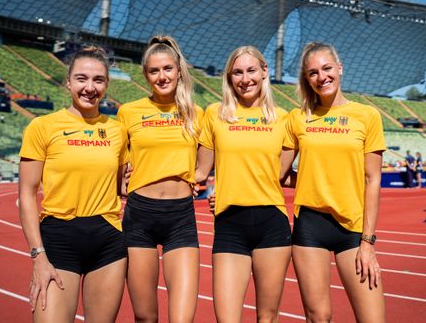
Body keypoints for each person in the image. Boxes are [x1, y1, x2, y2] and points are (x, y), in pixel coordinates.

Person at [18, 46, 129, 321]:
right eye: (81, 78)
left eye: (98, 80)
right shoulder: (42, 127)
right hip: (58, 239)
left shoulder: (118, 131)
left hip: (108, 241)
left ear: (106, 84)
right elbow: (27, 193)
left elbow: (120, 186)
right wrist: (38, 256)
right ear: (68, 82)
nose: (89, 87)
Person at [282, 42, 386, 322]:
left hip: (352, 228)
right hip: (310, 226)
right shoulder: (298, 118)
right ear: (307, 79)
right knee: (319, 316)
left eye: (327, 68)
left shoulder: (367, 116)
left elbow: (372, 179)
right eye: (313, 72)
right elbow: (277, 174)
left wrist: (368, 242)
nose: (321, 77)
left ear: (339, 69)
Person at [195, 46, 292, 322]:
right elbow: (200, 172)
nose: (245, 79)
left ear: (264, 72)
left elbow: (282, 175)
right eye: (237, 72)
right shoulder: (216, 114)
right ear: (229, 77)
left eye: (251, 70)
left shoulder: (284, 118)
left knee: (267, 317)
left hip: (272, 222)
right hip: (230, 224)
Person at [116, 35, 202, 323]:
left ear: (178, 70)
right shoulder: (128, 113)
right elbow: (114, 162)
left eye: (167, 68)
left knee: (182, 319)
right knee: (145, 317)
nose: (162, 76)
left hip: (181, 218)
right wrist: (120, 179)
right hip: (140, 216)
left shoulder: (196, 114)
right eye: (154, 71)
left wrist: (200, 176)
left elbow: (215, 158)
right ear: (145, 74)